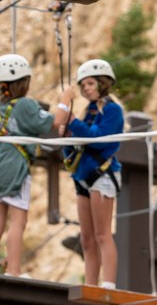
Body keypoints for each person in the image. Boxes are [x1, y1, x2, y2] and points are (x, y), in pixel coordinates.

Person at [53, 57, 125, 288]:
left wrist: (72, 121)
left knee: (102, 234)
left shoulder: (112, 110)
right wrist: (67, 136)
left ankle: (109, 284)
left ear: (103, 83)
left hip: (103, 175)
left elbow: (97, 139)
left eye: (91, 83)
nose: (86, 88)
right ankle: (92, 285)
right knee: (87, 238)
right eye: (84, 85)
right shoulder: (91, 110)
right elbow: (79, 142)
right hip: (84, 177)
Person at [0, 53, 54, 277]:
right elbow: (51, 123)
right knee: (17, 223)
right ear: (24, 83)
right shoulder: (25, 105)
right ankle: (13, 270)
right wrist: (65, 101)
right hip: (16, 169)